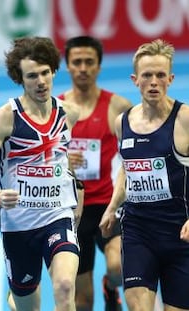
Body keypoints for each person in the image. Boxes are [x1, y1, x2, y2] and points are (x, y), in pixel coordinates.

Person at [0, 36, 83, 311]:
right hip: (19, 226)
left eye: (45, 73)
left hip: (57, 215)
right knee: (27, 305)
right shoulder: (6, 117)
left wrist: (72, 183)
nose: (41, 81)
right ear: (20, 78)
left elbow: (58, 161)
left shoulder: (69, 113)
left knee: (65, 285)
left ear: (54, 71)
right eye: (32, 76)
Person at [100, 39, 189, 310]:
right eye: (147, 75)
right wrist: (112, 207)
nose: (153, 82)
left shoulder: (184, 119)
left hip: (180, 235)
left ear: (171, 79)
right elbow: (127, 168)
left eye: (160, 75)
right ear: (135, 80)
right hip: (139, 231)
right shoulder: (122, 123)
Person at [58, 36, 132, 311]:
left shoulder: (117, 106)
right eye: (77, 62)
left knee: (118, 268)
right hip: (72, 209)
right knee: (83, 301)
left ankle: (111, 287)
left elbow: (136, 150)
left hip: (106, 205)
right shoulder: (58, 110)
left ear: (99, 66)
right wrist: (63, 160)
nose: (83, 68)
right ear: (67, 66)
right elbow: (44, 158)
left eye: (89, 62)